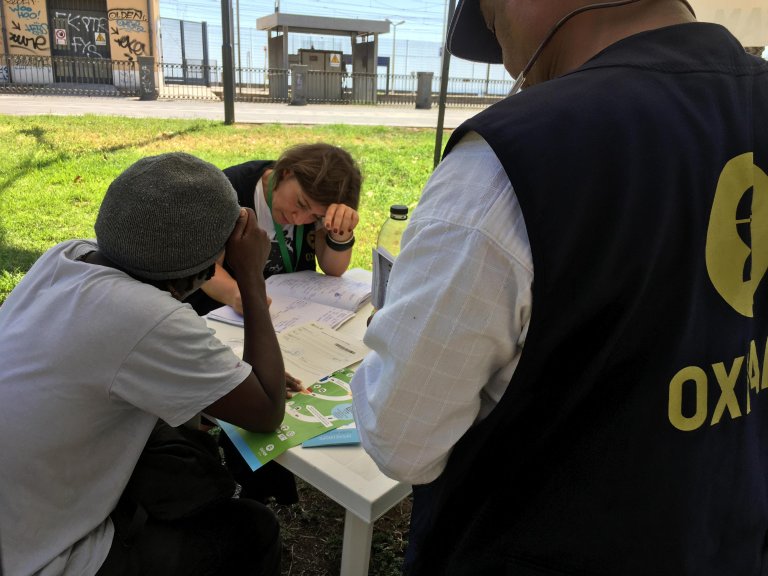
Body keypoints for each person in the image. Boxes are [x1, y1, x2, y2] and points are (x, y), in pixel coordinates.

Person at [350, 1, 768, 575]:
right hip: (727, 536)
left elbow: (401, 437)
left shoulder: (509, 161)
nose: (507, 65)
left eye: (496, 28)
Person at [0, 152, 300, 575]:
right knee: (253, 530)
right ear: (205, 262)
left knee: (182, 453)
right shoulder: (148, 317)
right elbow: (267, 412)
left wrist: (221, 376)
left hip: (19, 499)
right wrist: (251, 276)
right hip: (38, 554)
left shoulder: (67, 256)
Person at [185, 142, 363, 316]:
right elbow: (205, 269)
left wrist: (342, 230)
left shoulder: (317, 206)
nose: (299, 219)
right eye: (301, 203)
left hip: (288, 312)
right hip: (218, 314)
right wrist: (236, 295)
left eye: (315, 217)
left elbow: (333, 269)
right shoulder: (231, 190)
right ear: (286, 173)